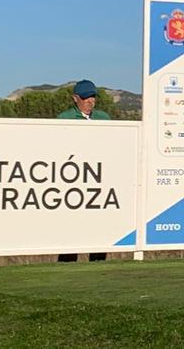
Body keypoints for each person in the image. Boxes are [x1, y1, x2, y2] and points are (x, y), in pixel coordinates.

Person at [56, 79, 110, 262]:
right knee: (72, 229)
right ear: (75, 98)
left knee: (98, 229)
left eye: (93, 97)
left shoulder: (104, 118)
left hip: (98, 180)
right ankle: (67, 264)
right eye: (86, 97)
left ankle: (98, 264)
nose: (90, 101)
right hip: (73, 180)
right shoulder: (64, 118)